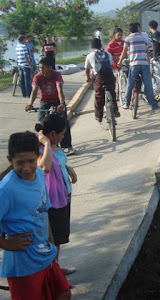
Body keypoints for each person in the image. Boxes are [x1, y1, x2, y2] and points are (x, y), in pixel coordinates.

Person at [0, 131, 72, 300]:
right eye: (20, 162)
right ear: (10, 160)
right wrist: (6, 244)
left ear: (38, 156)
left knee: (63, 294)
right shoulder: (6, 190)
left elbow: (43, 213)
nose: (26, 167)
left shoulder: (39, 175)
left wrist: (52, 245)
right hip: (24, 264)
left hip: (45, 254)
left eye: (31, 161)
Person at [36, 114, 77, 276]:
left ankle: (56, 268)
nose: (63, 137)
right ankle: (52, 272)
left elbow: (59, 162)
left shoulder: (55, 146)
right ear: (52, 134)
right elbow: (45, 167)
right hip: (51, 201)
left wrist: (68, 168)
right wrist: (45, 143)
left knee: (59, 237)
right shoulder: (41, 149)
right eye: (61, 134)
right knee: (51, 239)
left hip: (62, 197)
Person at [26, 57, 75, 156]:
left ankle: (66, 146)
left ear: (49, 67)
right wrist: (30, 104)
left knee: (63, 123)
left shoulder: (56, 74)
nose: (41, 70)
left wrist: (61, 103)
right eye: (39, 68)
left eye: (43, 67)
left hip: (57, 100)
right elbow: (34, 91)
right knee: (40, 125)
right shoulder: (38, 77)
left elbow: (59, 88)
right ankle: (41, 147)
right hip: (45, 101)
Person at [117, 23, 158, 111]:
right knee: (148, 84)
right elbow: (148, 50)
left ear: (130, 30)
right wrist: (147, 61)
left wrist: (119, 62)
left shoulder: (128, 38)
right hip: (144, 64)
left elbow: (124, 52)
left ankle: (126, 103)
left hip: (134, 64)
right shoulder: (144, 37)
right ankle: (153, 104)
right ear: (138, 29)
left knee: (130, 84)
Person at [85, 38, 120, 123]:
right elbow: (111, 65)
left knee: (99, 96)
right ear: (101, 45)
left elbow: (87, 70)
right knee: (112, 93)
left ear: (92, 46)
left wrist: (88, 78)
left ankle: (99, 116)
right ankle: (115, 109)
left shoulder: (90, 56)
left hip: (100, 77)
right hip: (110, 76)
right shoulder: (108, 54)